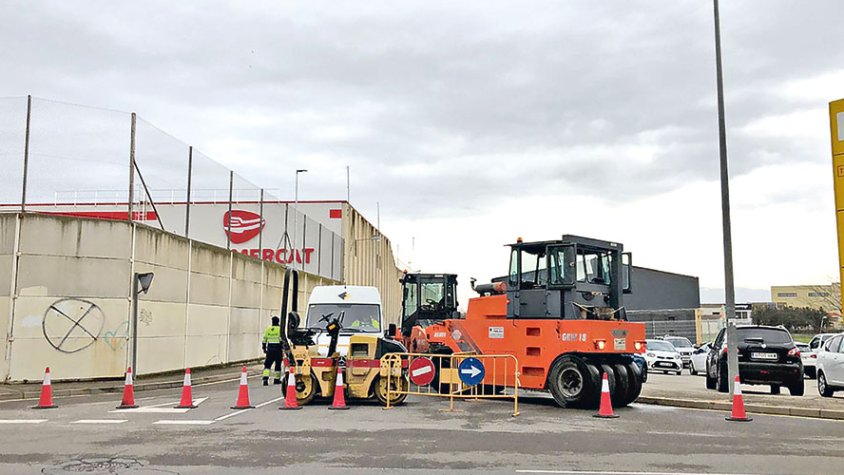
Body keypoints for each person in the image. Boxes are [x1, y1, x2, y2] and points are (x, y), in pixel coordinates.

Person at [262, 316, 283, 386]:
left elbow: (264, 340)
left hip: (270, 349)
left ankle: (265, 378)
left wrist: (264, 348)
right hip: (278, 349)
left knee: (267, 364)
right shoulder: (280, 330)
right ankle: (276, 379)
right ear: (278, 322)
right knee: (278, 365)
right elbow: (282, 340)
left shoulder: (268, 329)